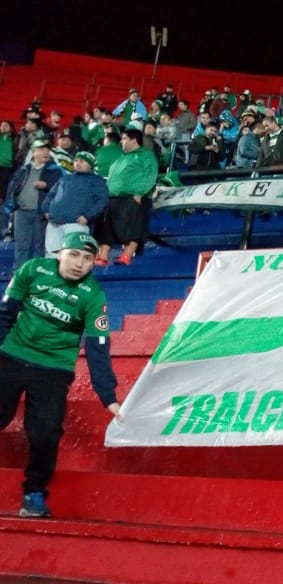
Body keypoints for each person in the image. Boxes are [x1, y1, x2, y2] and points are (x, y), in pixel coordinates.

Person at [0, 232, 122, 518]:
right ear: (59, 254)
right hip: (11, 355)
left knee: (45, 432)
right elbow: (5, 313)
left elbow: (98, 345)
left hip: (54, 368)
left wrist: (107, 395)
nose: (80, 264)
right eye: (74, 255)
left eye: (88, 259)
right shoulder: (33, 269)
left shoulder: (93, 295)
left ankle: (34, 493)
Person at [92, 128, 159, 266]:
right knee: (105, 228)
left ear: (134, 140)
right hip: (113, 198)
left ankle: (126, 256)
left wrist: (139, 194)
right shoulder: (121, 158)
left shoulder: (146, 155)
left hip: (133, 197)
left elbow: (150, 174)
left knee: (132, 228)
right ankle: (103, 257)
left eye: (124, 138)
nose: (121, 142)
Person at [5, 141, 63, 270]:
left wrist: (47, 185)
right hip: (21, 212)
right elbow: (12, 187)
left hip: (40, 213)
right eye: (41, 150)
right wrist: (10, 204)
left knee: (39, 245)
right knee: (21, 245)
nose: (45, 152)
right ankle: (20, 272)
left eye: (47, 150)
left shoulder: (54, 170)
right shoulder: (23, 169)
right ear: (33, 152)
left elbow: (61, 188)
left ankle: (37, 272)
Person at [41, 151, 109, 257]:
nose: (77, 163)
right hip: (54, 223)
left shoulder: (97, 181)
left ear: (90, 165)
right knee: (51, 254)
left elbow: (102, 201)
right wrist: (46, 210)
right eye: (76, 161)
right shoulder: (65, 178)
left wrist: (87, 217)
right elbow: (51, 195)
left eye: (82, 161)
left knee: (73, 255)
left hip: (76, 224)